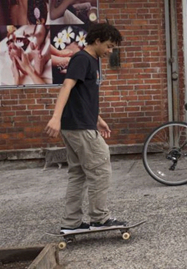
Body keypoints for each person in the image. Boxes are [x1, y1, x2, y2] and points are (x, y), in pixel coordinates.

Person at [44, 22, 125, 234]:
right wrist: (55, 117)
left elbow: (81, 95)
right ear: (97, 41)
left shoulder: (91, 60)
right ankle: (99, 217)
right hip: (79, 127)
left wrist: (97, 118)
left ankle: (71, 222)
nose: (110, 51)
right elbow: (67, 87)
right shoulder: (82, 59)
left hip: (80, 124)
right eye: (108, 46)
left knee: (78, 173)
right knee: (100, 167)